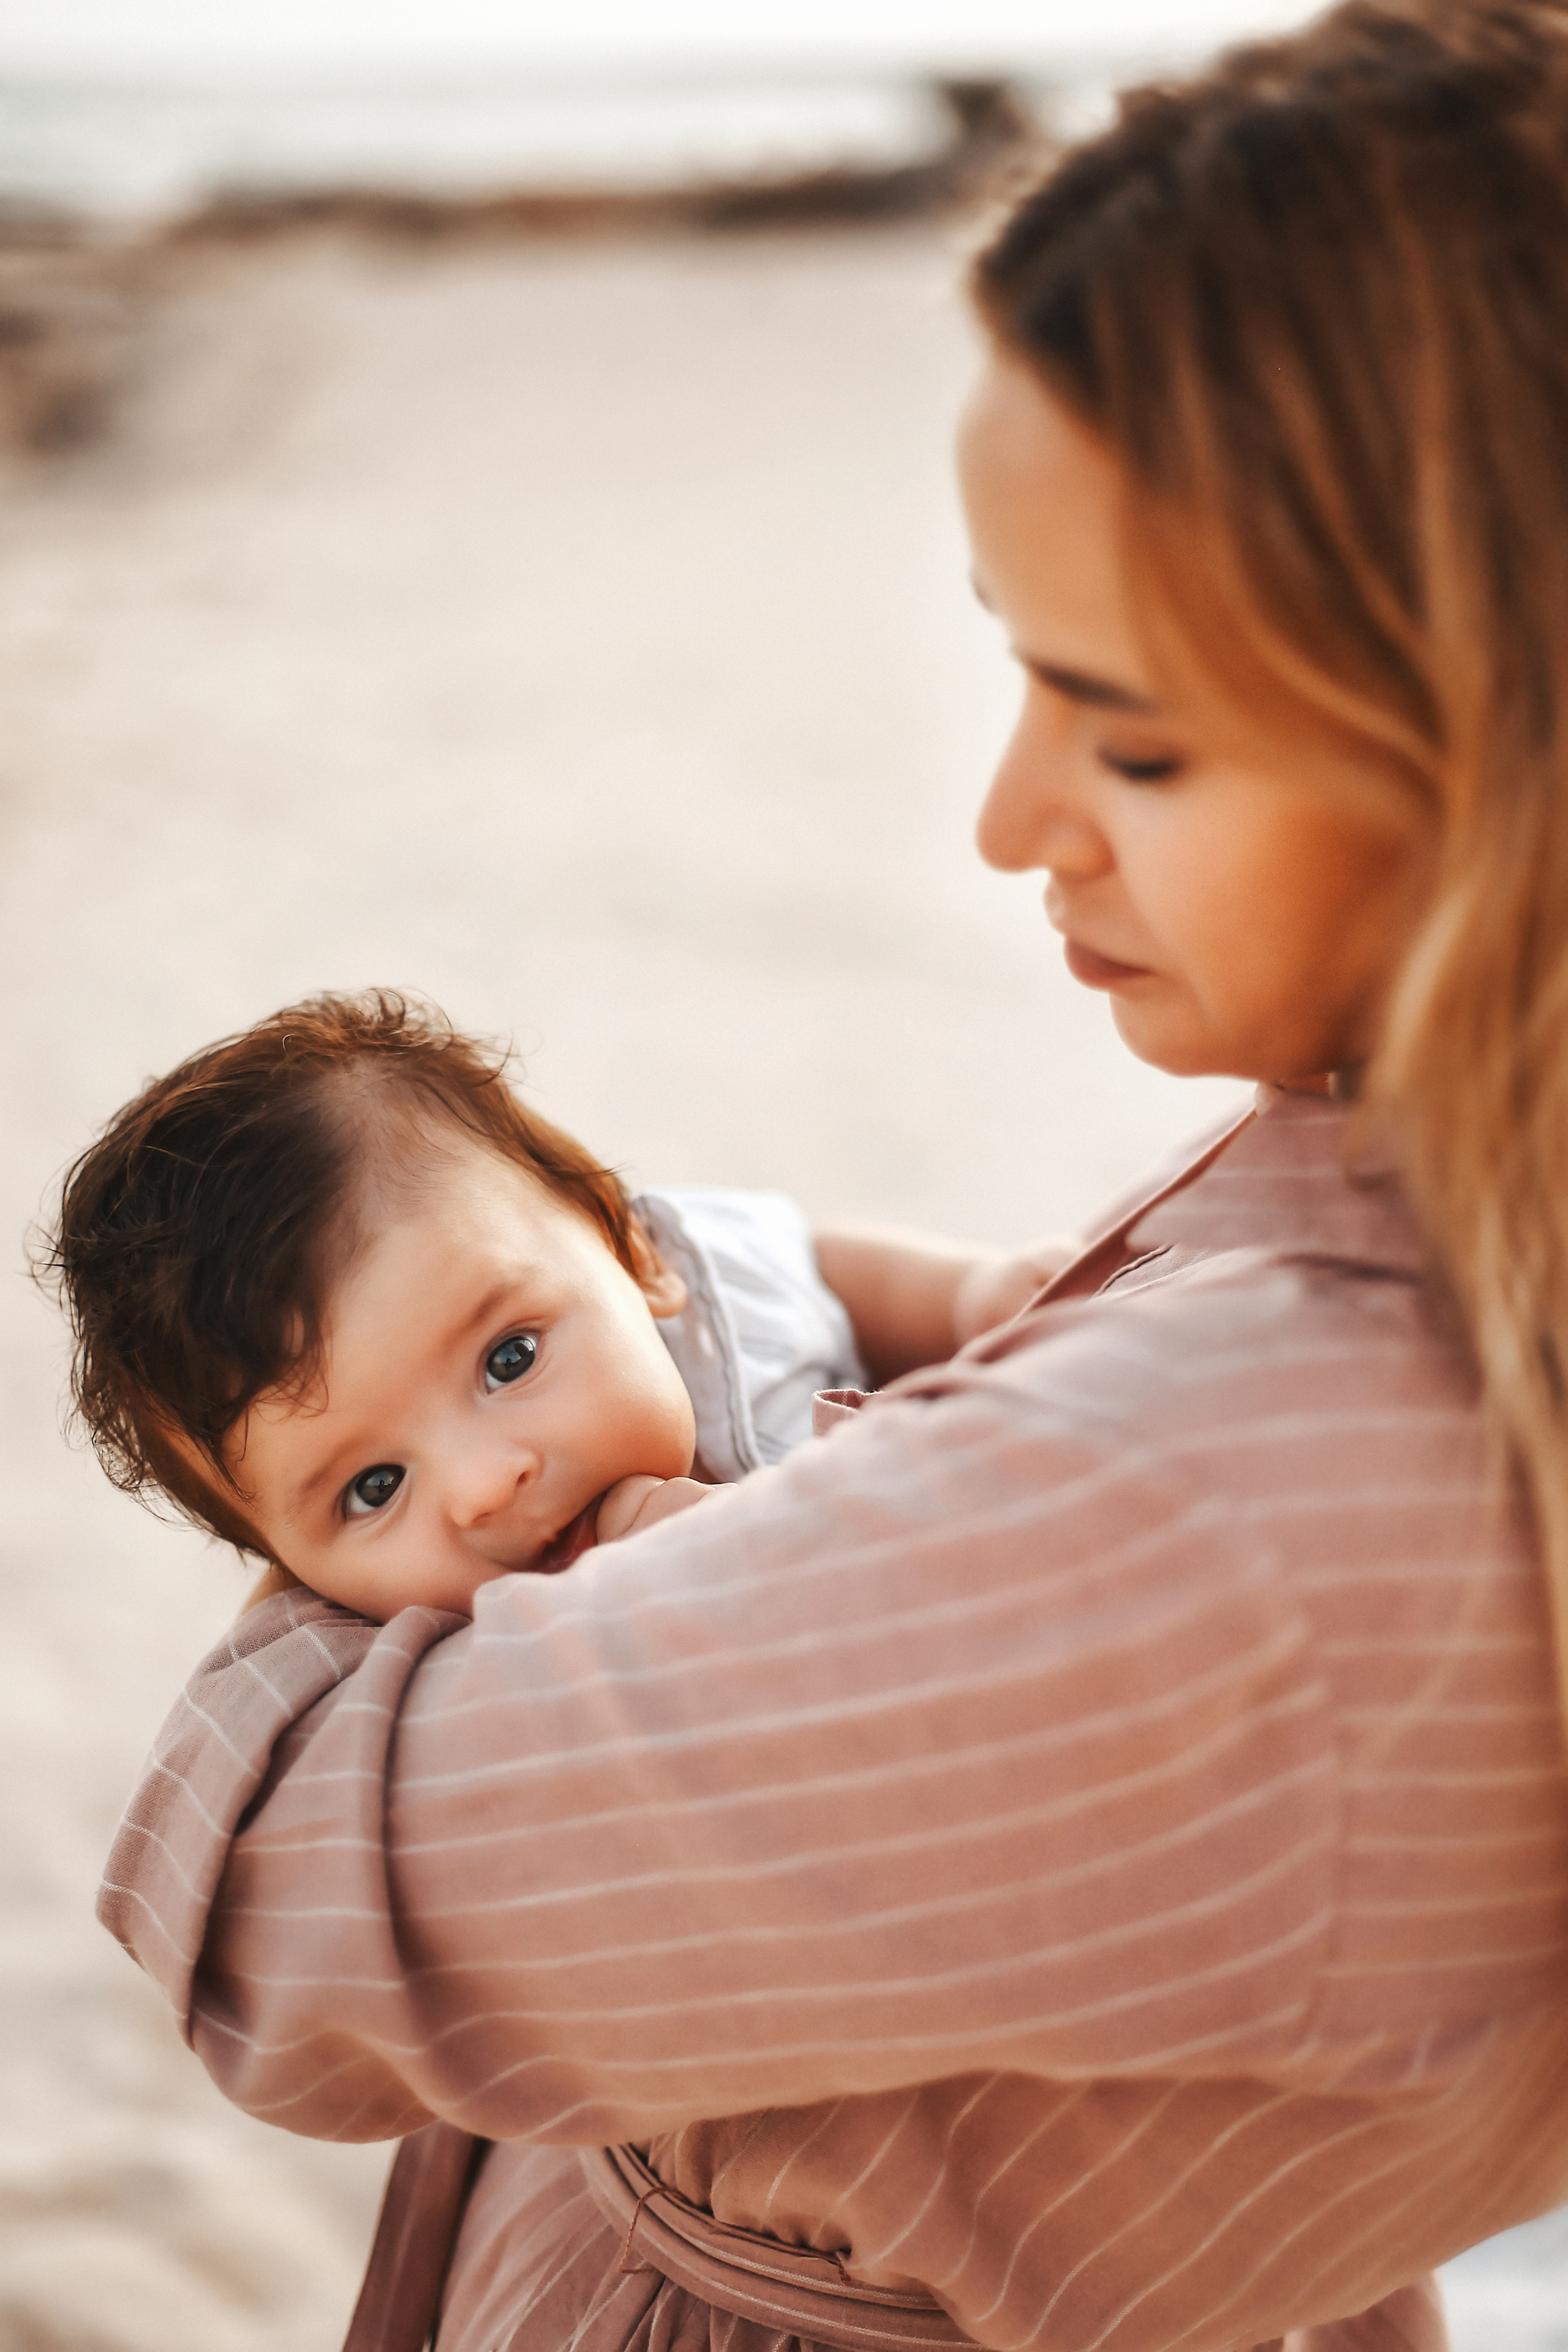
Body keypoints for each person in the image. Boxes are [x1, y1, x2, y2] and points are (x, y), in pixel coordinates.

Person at [78, 1, 1568, 2345]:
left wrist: (348, 1552)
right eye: (1025, 670)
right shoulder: (1411, 1194)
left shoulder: (1250, 1518)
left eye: (1140, 733)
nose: (1008, 819)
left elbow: (279, 1931)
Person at [48, 989, 1060, 1620]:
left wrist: (964, 1294)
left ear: (632, 1252)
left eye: (509, 1361)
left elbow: (814, 1266)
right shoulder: (451, 1674)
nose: (485, 1490)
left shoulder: (702, 1295)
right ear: (294, 1576)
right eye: (374, 1488)